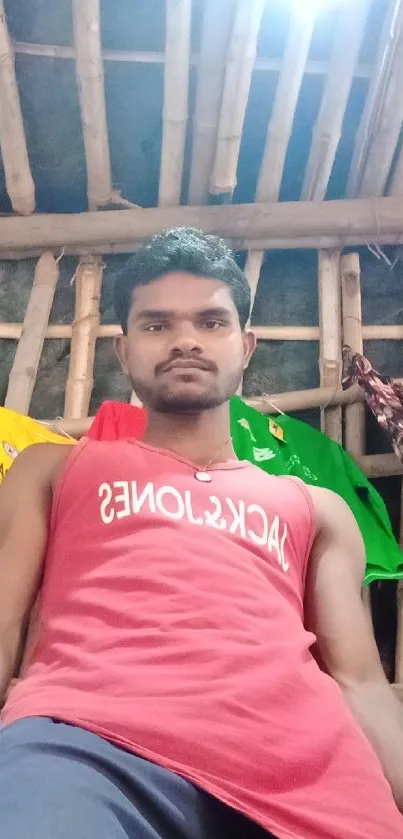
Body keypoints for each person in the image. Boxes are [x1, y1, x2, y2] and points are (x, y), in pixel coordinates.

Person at [0, 228, 402, 839]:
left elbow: (361, 684)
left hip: (308, 773)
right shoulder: (54, 470)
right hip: (86, 747)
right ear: (122, 350)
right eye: (157, 325)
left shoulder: (313, 507)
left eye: (211, 322)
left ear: (246, 346)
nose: (186, 340)